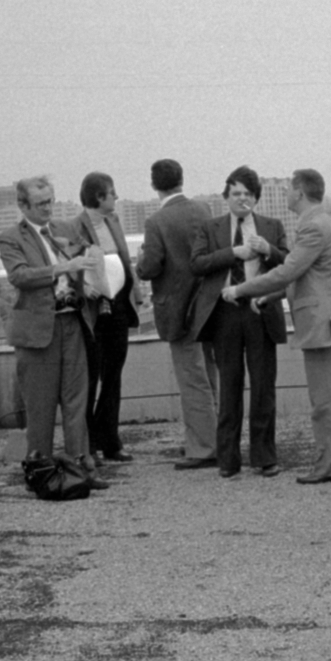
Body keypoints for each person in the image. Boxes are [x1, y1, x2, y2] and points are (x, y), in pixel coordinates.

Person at [223, 168, 331, 484]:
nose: (285, 194)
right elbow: (304, 276)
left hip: (321, 322)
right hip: (330, 317)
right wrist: (269, 297)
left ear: (299, 193)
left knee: (324, 402)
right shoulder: (319, 222)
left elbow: (287, 271)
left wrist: (241, 290)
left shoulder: (313, 227)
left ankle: (329, 467)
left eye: (287, 189)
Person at [0, 176, 108, 490]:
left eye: (51, 201)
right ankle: (41, 470)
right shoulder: (10, 238)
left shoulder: (64, 230)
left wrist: (92, 273)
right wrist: (63, 268)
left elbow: (87, 258)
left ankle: (81, 468)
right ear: (23, 205)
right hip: (38, 333)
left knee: (77, 400)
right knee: (41, 405)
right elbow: (19, 276)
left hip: (72, 322)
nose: (49, 208)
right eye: (41, 203)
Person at [189, 166, 290, 479]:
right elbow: (197, 264)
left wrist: (267, 250)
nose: (242, 199)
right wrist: (232, 252)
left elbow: (289, 263)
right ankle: (228, 460)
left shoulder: (272, 226)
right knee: (229, 386)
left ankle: (264, 457)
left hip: (260, 312)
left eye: (247, 194)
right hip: (225, 315)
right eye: (236, 193)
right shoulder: (211, 228)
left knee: (263, 387)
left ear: (256, 198)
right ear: (226, 197)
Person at [135, 159, 219, 470]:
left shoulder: (156, 222)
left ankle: (203, 448)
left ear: (154, 185)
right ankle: (217, 438)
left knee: (191, 380)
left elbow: (151, 267)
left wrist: (140, 262)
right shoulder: (204, 210)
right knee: (211, 376)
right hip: (209, 307)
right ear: (182, 179)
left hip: (179, 312)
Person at [62, 171, 140, 463]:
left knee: (114, 374)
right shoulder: (74, 227)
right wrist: (85, 287)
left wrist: (137, 294)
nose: (116, 197)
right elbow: (69, 268)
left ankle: (110, 440)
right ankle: (88, 443)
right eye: (112, 192)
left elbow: (123, 260)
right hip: (94, 310)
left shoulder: (113, 221)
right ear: (99, 197)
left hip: (119, 304)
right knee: (92, 374)